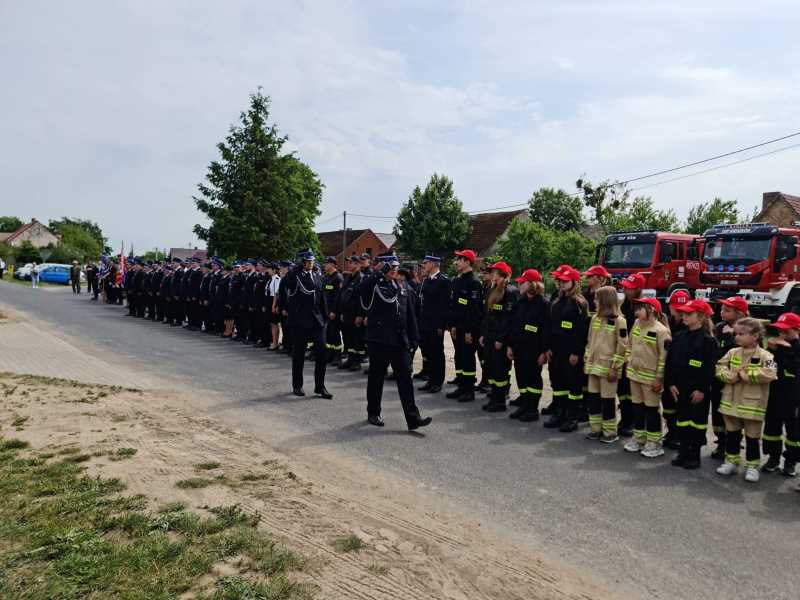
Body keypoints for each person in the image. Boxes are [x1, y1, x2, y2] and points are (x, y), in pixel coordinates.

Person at [361, 255, 431, 431]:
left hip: (399, 341)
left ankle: (413, 418)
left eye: (396, 266)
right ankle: (373, 412)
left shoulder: (402, 286)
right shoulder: (375, 285)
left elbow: (409, 314)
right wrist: (378, 273)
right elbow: (362, 289)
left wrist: (414, 338)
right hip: (380, 340)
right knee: (376, 378)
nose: (394, 269)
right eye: (390, 266)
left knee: (405, 379)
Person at [715, 317, 777, 482]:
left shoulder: (767, 356)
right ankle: (731, 461)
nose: (737, 337)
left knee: (752, 438)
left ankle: (752, 466)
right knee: (732, 435)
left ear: (755, 336)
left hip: (752, 405)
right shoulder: (732, 352)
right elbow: (719, 367)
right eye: (736, 333)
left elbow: (771, 373)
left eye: (742, 334)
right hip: (731, 403)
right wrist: (732, 376)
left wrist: (747, 375)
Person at [665, 299, 718, 470]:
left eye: (689, 314)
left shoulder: (708, 341)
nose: (684, 316)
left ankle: (694, 454)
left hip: (697, 390)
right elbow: (671, 362)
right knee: (682, 420)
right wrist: (671, 383)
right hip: (680, 387)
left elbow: (709, 368)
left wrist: (702, 389)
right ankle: (683, 450)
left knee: (697, 422)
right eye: (683, 313)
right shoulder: (680, 337)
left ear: (701, 316)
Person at [623, 297, 671, 457]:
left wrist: (659, 378)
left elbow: (664, 358)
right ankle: (640, 438)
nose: (636, 312)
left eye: (640, 308)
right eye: (636, 308)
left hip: (651, 379)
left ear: (652, 310)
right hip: (634, 375)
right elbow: (629, 345)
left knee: (651, 410)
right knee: (638, 409)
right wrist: (628, 360)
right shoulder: (637, 324)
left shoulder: (661, 331)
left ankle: (654, 442)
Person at [544, 265, 588, 432]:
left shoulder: (579, 303)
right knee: (558, 383)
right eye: (559, 281)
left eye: (564, 281)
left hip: (571, 352)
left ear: (574, 282)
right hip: (556, 350)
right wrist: (547, 347)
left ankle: (572, 417)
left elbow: (581, 331)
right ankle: (559, 413)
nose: (561, 283)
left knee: (573, 386)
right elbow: (549, 325)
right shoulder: (557, 300)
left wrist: (577, 352)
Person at [283, 250, 331, 399]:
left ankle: (320, 386)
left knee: (322, 351)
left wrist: (325, 316)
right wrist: (296, 268)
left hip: (317, 320)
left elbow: (322, 296)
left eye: (312, 261)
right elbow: (285, 284)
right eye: (308, 261)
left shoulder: (317, 275)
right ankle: (297, 385)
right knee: (298, 354)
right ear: (303, 262)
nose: (311, 264)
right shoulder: (295, 276)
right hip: (300, 320)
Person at [583, 285, 627, 443]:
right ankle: (596, 429)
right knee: (593, 399)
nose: (594, 301)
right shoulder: (595, 318)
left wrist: (615, 368)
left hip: (608, 370)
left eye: (596, 298)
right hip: (593, 367)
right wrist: (587, 359)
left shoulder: (619, 321)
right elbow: (590, 341)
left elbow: (622, 346)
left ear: (605, 301)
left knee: (608, 401)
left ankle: (610, 433)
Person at [506, 269, 550, 422]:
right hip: (519, 347)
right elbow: (513, 325)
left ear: (532, 284)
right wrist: (510, 346)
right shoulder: (521, 302)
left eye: (522, 282)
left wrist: (544, 352)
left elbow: (545, 329)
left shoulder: (543, 304)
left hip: (534, 349)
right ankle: (524, 404)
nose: (519, 284)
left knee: (533, 379)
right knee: (521, 377)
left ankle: (532, 409)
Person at [709, 296, 749, 460]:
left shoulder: (750, 330)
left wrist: (733, 336)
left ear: (739, 314)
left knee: (734, 414)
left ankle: (733, 443)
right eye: (722, 309)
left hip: (739, 382)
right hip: (720, 379)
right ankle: (721, 443)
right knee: (718, 412)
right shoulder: (719, 327)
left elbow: (750, 353)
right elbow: (716, 352)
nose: (722, 312)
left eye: (727, 310)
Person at [762, 312, 800, 475]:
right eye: (780, 330)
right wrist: (771, 351)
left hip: (794, 399)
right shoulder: (774, 347)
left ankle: (790, 462)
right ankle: (773, 458)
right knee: (771, 430)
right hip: (774, 395)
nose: (782, 334)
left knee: (793, 433)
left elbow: (793, 368)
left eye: (786, 331)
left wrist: (785, 350)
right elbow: (769, 366)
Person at [479, 261, 518, 412]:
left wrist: (501, 339)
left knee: (500, 370)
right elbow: (487, 315)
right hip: (489, 336)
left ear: (503, 275)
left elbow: (508, 319)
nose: (492, 274)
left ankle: (500, 401)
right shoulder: (492, 290)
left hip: (499, 339)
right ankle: (494, 397)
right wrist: (483, 334)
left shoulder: (510, 292)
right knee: (492, 368)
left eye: (495, 272)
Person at [446, 249, 484, 403]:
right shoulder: (456, 280)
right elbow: (455, 306)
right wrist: (453, 325)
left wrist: (469, 331)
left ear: (467, 262)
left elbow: (474, 310)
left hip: (469, 329)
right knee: (459, 357)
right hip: (458, 327)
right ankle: (461, 386)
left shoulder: (474, 282)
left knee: (468, 358)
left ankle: (469, 391)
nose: (456, 262)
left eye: (459, 259)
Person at [617, 273, 646, 436]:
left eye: (630, 288)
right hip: (622, 352)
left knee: (633, 391)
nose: (626, 290)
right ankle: (625, 418)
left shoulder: (643, 307)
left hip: (636, 356)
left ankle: (634, 421)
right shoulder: (623, 306)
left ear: (638, 289)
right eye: (625, 287)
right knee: (622, 390)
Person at [417, 254, 450, 394]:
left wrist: (441, 326)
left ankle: (437, 381)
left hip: (435, 324)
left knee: (437, 353)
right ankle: (430, 379)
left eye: (427, 262)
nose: (424, 265)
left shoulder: (443, 281)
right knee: (429, 352)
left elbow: (444, 306)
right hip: (425, 323)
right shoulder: (427, 281)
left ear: (435, 264)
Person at [662, 289, 690, 448]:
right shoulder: (667, 323)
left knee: (681, 406)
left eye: (682, 309)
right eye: (676, 308)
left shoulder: (689, 327)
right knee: (668, 406)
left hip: (683, 374)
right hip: (668, 370)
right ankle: (671, 431)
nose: (679, 312)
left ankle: (680, 435)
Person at [322, 257, 344, 363]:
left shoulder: (338, 278)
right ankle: (330, 354)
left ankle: (337, 355)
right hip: (327, 311)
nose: (325, 265)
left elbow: (338, 297)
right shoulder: (326, 277)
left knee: (335, 334)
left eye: (327, 263)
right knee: (329, 334)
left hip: (334, 312)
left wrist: (334, 311)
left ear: (332, 265)